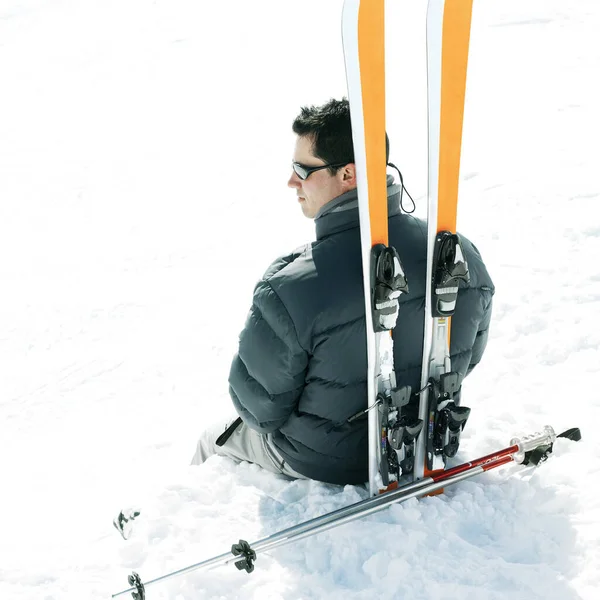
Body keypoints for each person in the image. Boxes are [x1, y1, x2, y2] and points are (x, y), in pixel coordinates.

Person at [191, 98, 494, 485]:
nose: (291, 182)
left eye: (302, 170)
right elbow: (468, 358)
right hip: (421, 443)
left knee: (210, 439)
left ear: (348, 174)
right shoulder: (461, 255)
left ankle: (166, 522)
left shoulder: (289, 288)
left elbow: (259, 410)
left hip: (324, 461)